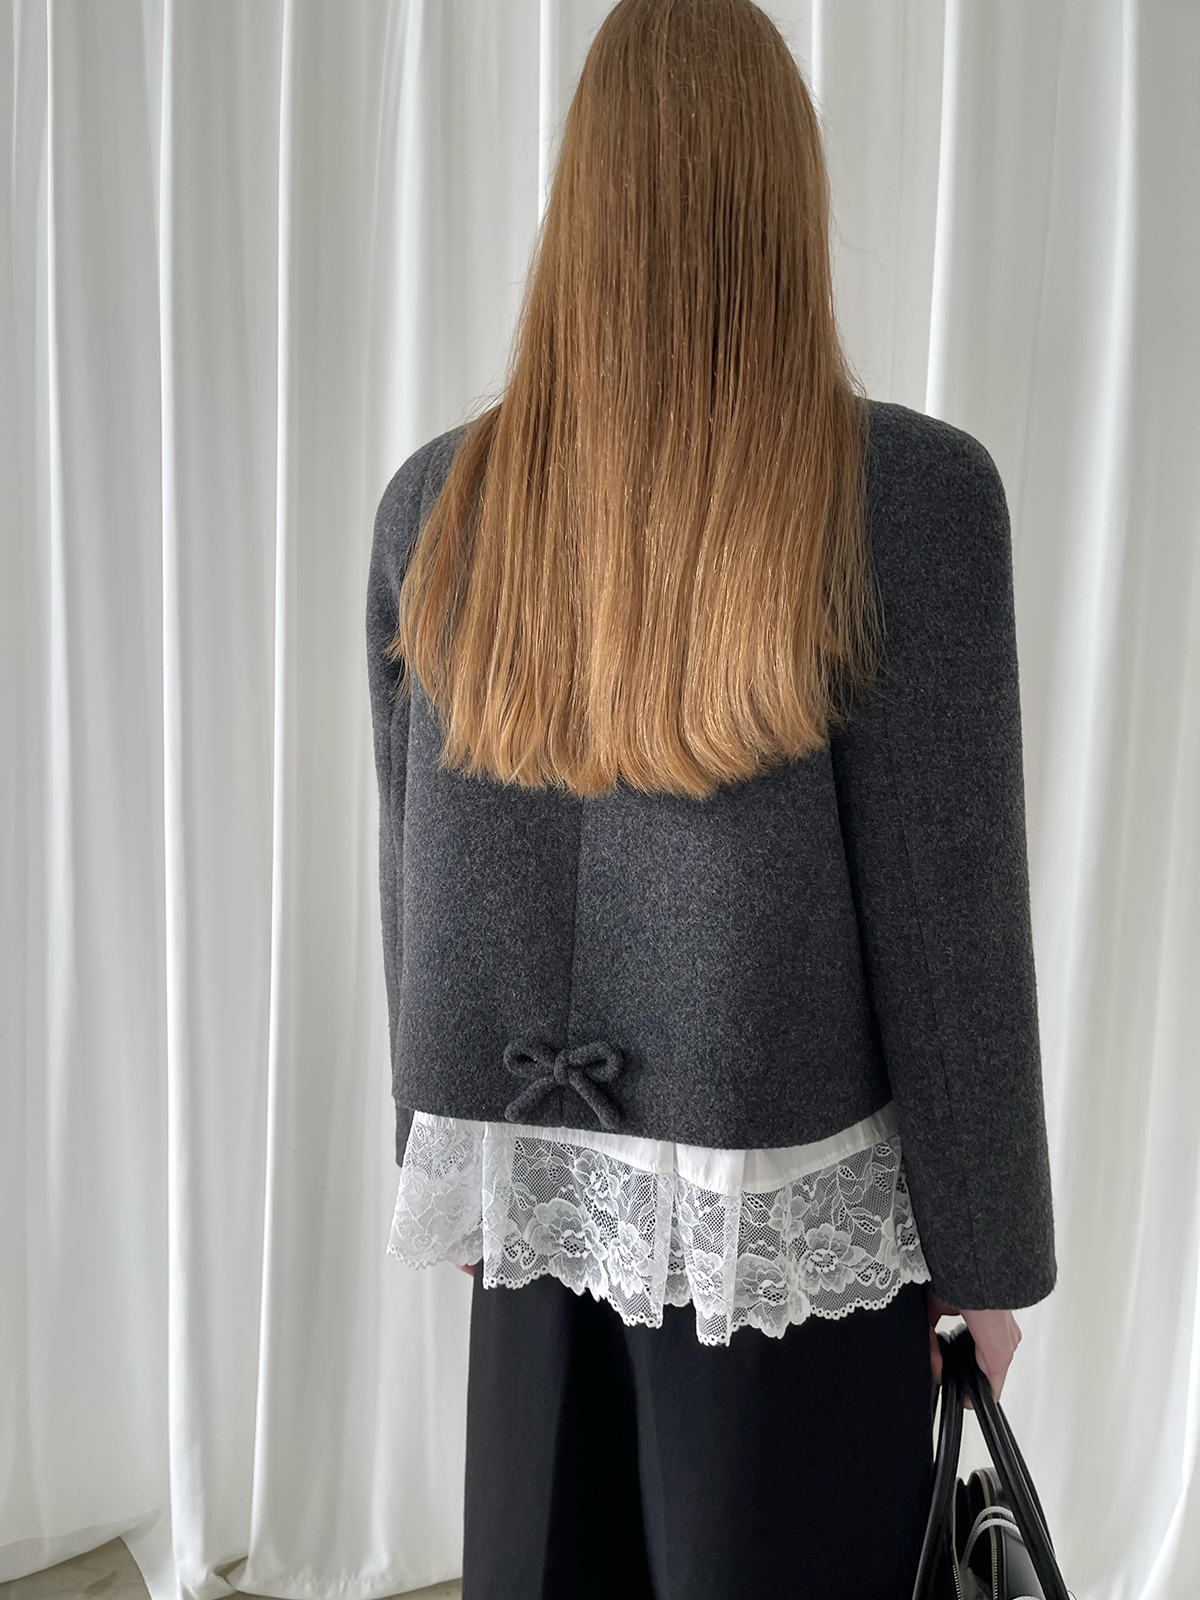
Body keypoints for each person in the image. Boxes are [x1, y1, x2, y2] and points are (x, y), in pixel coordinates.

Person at [366, 2, 1057, 1595]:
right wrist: (987, 1259)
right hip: (785, 1239)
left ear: (580, 200)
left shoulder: (440, 503)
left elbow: (413, 874)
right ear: (785, 199)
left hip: (537, 1197)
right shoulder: (912, 500)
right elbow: (949, 920)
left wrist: (444, 1161)